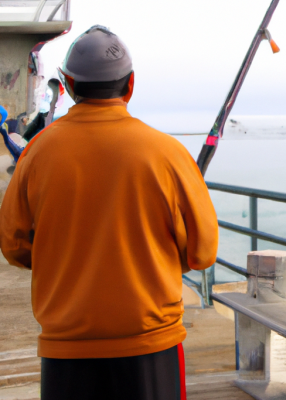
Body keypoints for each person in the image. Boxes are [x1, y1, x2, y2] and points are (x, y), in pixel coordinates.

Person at [0, 25, 218, 400]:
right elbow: (203, 252)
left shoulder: (36, 153)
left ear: (67, 85)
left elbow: (13, 245)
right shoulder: (167, 153)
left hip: (66, 349)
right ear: (130, 85)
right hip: (151, 346)